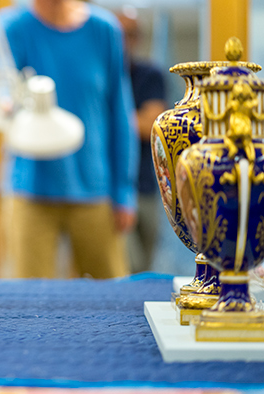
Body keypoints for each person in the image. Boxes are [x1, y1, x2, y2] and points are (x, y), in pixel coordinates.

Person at [0, 0, 138, 279]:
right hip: (30, 189)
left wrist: (124, 191)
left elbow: (120, 113)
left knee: (111, 295)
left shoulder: (104, 30)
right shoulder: (11, 27)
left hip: (95, 189)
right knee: (28, 300)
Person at [117, 8, 168, 274]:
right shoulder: (101, 75)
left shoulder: (150, 75)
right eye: (121, 34)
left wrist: (110, 120)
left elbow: (151, 125)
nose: (125, 41)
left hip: (146, 186)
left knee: (145, 270)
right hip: (110, 191)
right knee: (125, 266)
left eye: (131, 34)